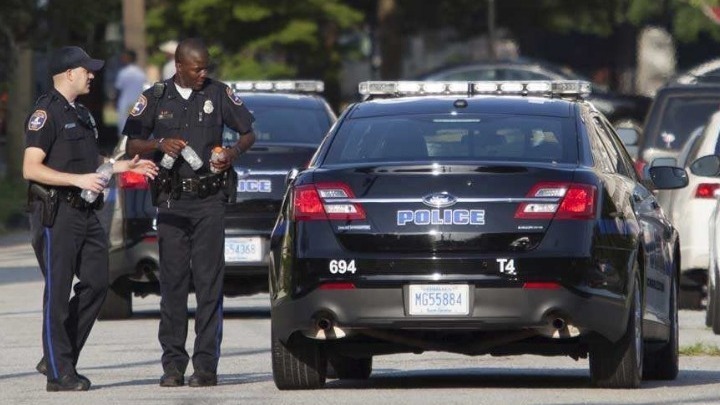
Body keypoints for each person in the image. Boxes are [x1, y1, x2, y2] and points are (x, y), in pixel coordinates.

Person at [23, 45, 158, 392]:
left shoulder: (82, 114)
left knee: (98, 283)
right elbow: (31, 168)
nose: (92, 75)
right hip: (55, 213)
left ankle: (56, 355)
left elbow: (90, 160)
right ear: (69, 74)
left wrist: (122, 166)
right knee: (57, 293)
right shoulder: (45, 113)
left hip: (85, 212)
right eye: (87, 70)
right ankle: (59, 374)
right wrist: (78, 181)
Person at [123, 37, 256, 388]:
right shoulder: (155, 97)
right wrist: (158, 143)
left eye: (206, 68)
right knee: (173, 284)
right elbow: (132, 142)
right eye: (197, 69)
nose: (203, 74)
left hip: (209, 201)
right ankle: (173, 365)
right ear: (179, 66)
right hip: (171, 202)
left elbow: (248, 133)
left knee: (209, 283)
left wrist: (231, 153)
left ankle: (206, 365)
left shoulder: (218, 93)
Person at [114, 49, 146, 136]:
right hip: (138, 104)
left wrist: (115, 102)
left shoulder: (123, 73)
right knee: (136, 128)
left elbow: (118, 89)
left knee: (123, 127)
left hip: (125, 103)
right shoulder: (141, 73)